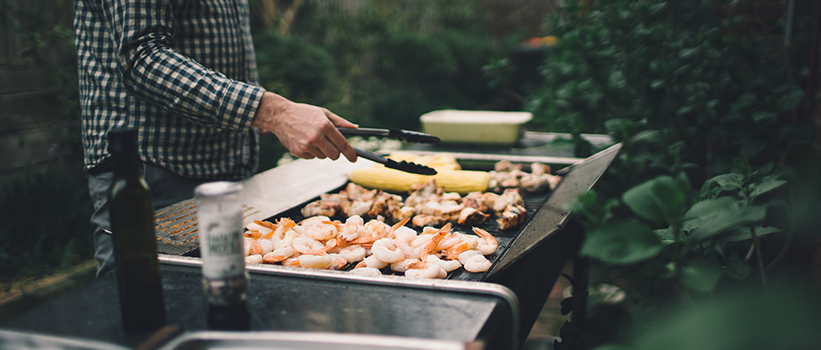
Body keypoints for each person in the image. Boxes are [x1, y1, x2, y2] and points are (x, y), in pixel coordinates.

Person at [74, 0, 357, 277]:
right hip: (149, 172)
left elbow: (204, 40)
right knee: (145, 312)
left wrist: (268, 113)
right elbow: (143, 57)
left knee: (227, 308)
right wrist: (273, 112)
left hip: (224, 173)